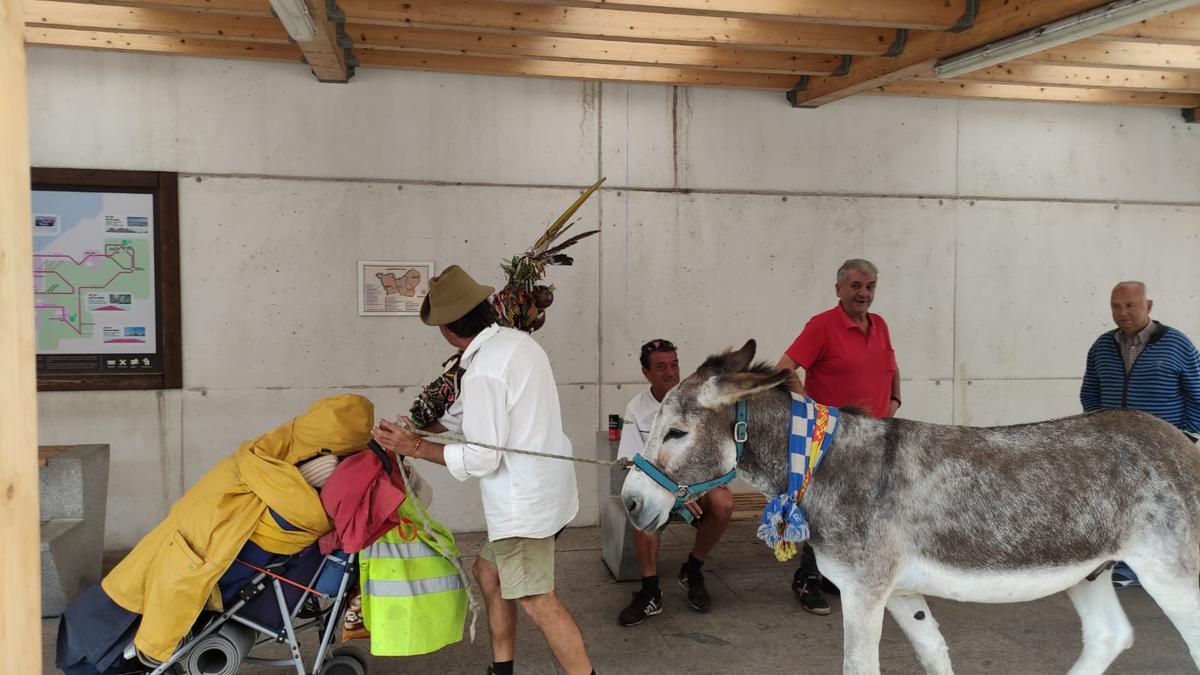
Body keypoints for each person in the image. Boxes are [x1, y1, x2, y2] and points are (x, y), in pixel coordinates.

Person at [372, 265, 594, 675]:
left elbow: (481, 457)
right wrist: (418, 428)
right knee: (488, 573)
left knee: (536, 600)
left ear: (444, 327)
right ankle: (502, 669)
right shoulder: (514, 344)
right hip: (546, 490)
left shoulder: (486, 369)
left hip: (523, 506)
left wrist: (413, 447)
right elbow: (464, 414)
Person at [775, 258, 901, 615]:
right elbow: (784, 369)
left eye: (870, 286)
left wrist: (894, 400)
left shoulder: (879, 325)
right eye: (856, 286)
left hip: (873, 435)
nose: (864, 293)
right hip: (832, 438)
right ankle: (807, 578)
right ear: (839, 289)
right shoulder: (822, 326)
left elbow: (891, 365)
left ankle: (834, 574)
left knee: (861, 507)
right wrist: (813, 410)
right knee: (826, 510)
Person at [1080, 280, 1200, 588]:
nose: (1123, 312)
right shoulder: (1102, 346)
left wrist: (1186, 436)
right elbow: (1090, 391)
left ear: (1148, 306)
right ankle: (1119, 563)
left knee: (1157, 508)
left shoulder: (1177, 344)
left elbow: (1197, 393)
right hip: (1112, 445)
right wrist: (1097, 429)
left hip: (1162, 445)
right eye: (1116, 306)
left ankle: (1150, 569)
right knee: (1117, 504)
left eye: (1131, 305)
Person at [615, 339, 734, 627]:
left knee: (723, 502)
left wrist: (689, 490)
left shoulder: (697, 404)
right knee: (640, 510)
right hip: (658, 488)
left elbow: (711, 458)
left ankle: (692, 569)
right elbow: (630, 461)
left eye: (674, 365)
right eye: (661, 367)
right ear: (646, 373)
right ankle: (650, 590)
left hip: (692, 488)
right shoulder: (636, 407)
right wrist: (675, 492)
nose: (670, 372)